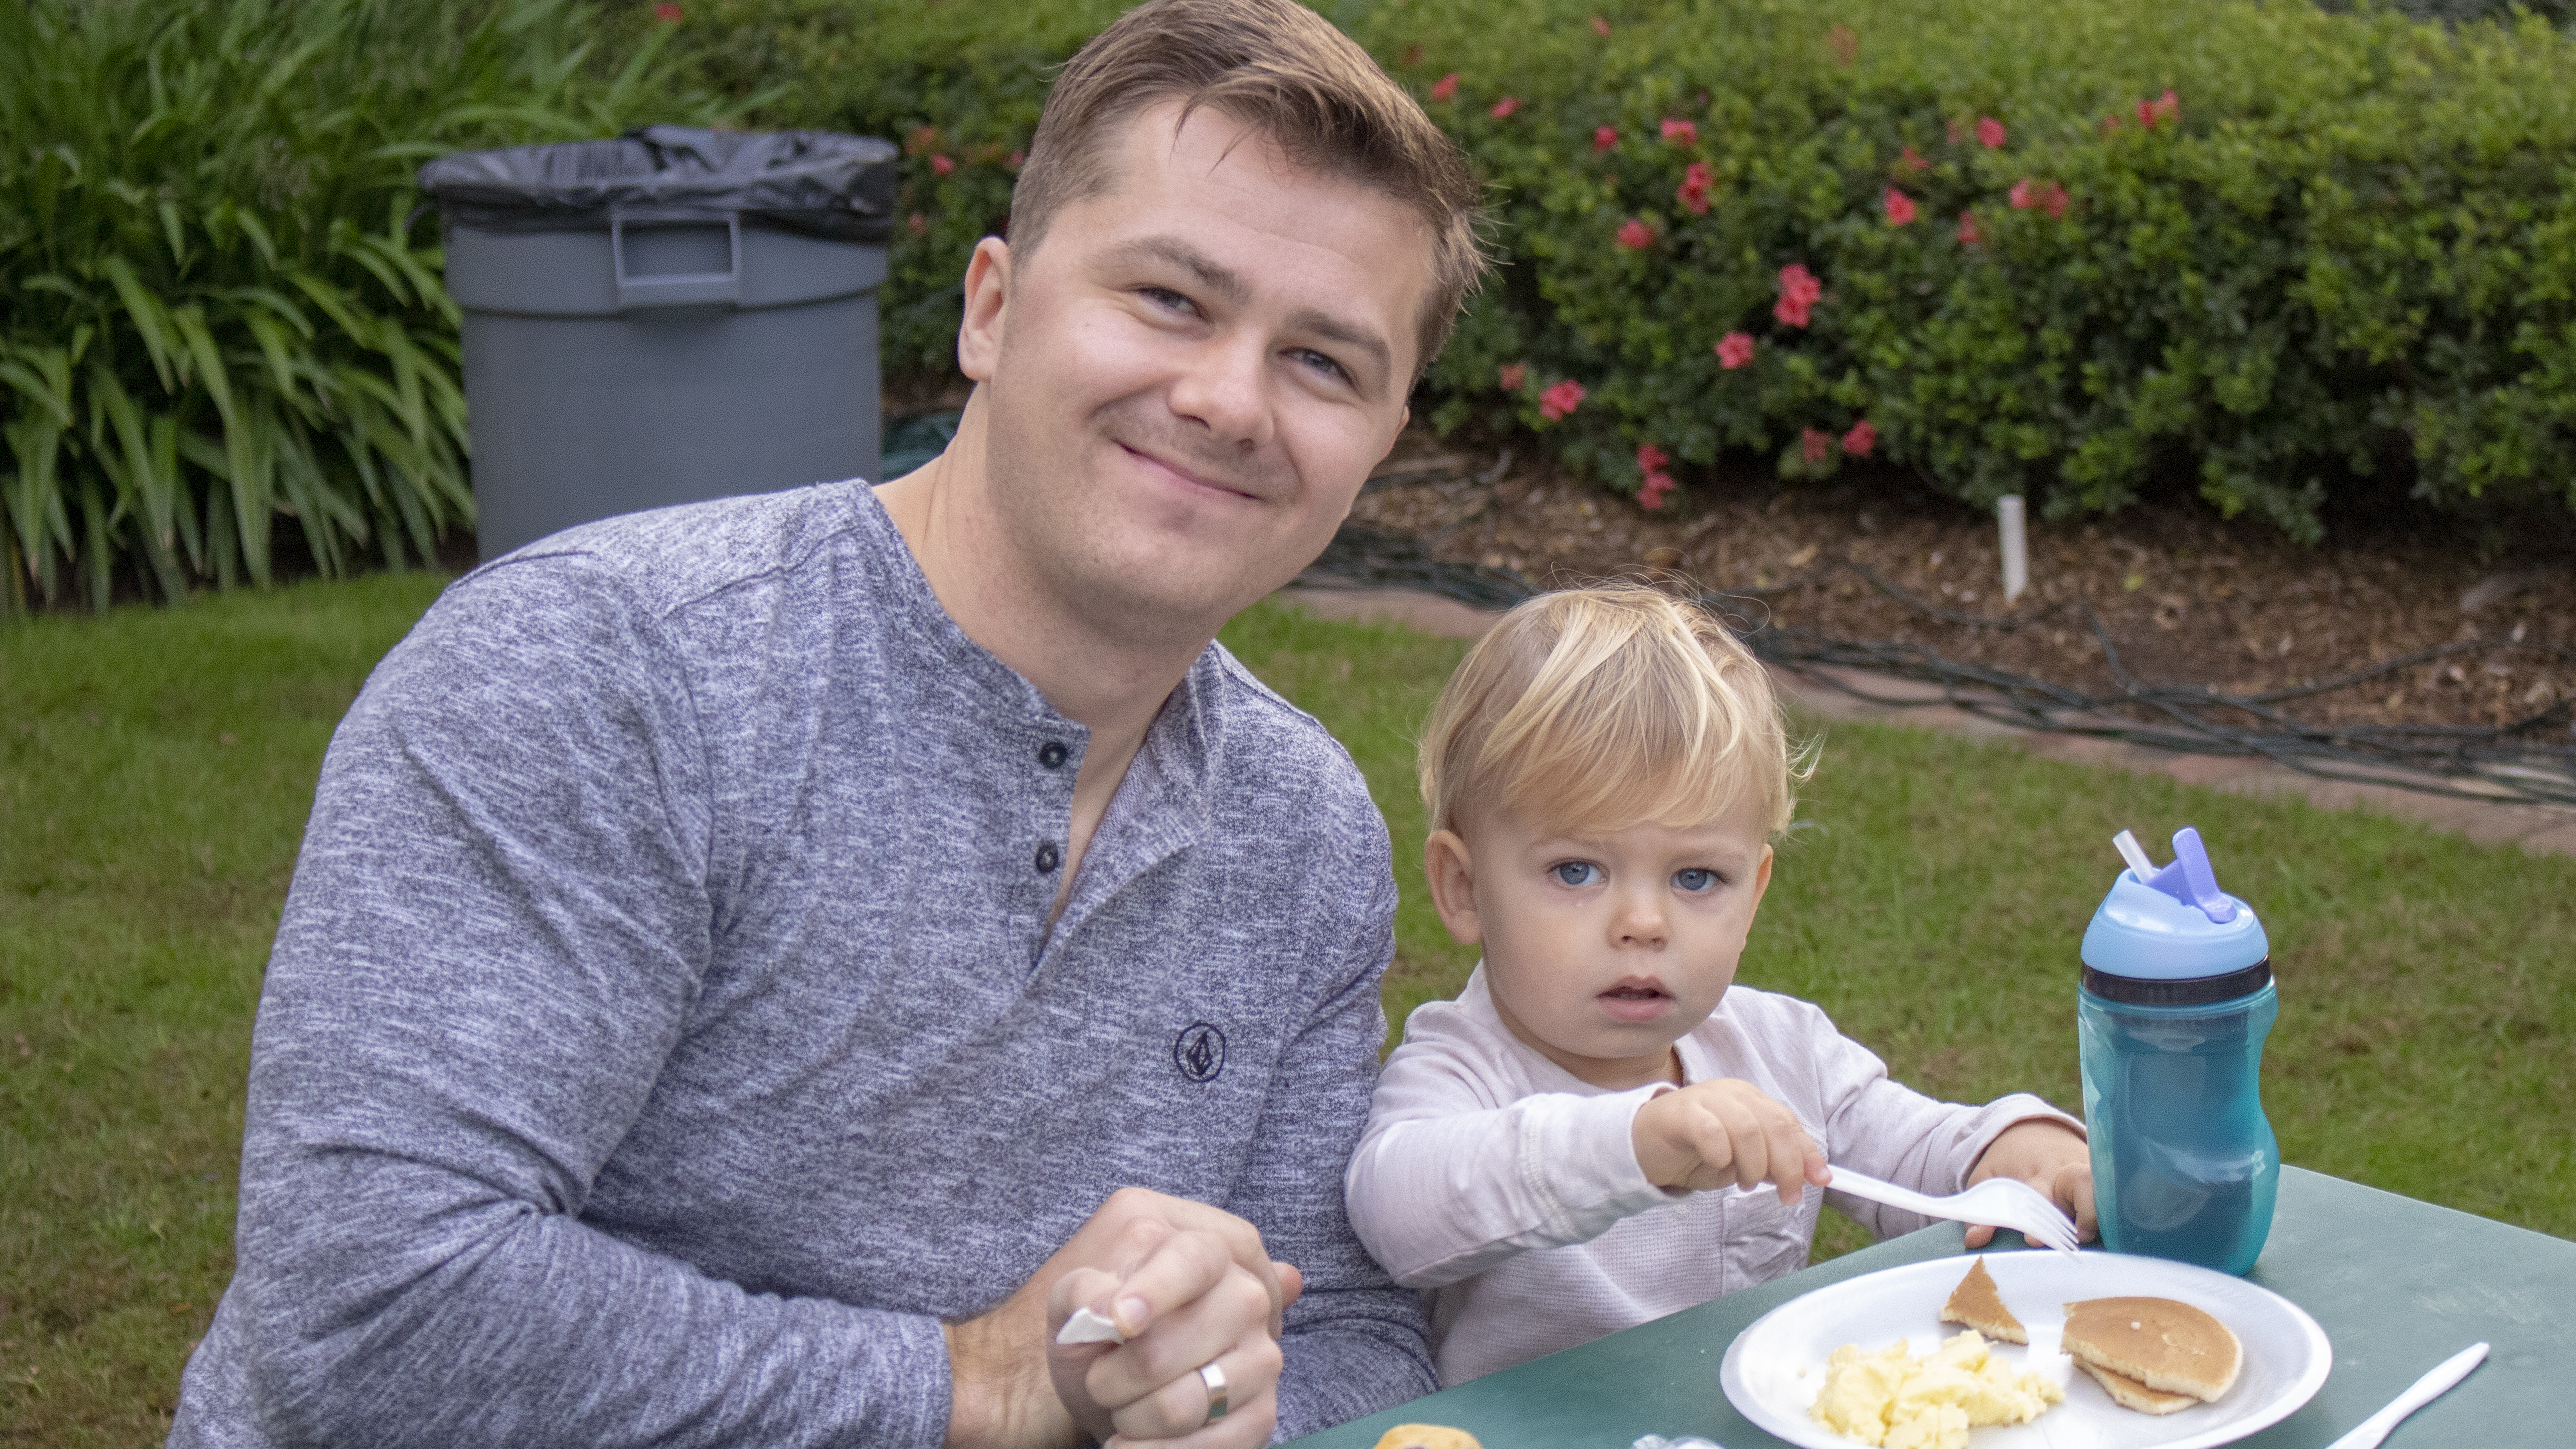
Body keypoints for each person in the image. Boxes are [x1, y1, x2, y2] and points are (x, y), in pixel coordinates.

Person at [168, 1, 1485, 1444]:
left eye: (1325, 363)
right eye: (1171, 298)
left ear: (1381, 441)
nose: (1231, 397)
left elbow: (1347, 1329)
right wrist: (976, 1385)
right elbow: (365, 1311)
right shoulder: (607, 671)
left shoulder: (1299, 831)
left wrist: (1223, 1404)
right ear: (990, 308)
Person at [1342, 586, 2096, 1387]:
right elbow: (1399, 1210)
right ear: (1464, 888)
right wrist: (1638, 1144)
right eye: (1576, 870)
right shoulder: (1460, 1067)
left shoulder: (1780, 1047)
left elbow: (1919, 1150)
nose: (1644, 922)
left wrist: (2014, 1149)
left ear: (1755, 894)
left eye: (1696, 877)